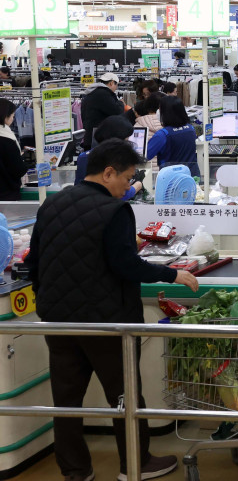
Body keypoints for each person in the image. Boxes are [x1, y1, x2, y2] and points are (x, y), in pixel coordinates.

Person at [28, 139, 200, 481]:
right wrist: (173, 273)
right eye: (128, 177)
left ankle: (76, 471)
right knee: (124, 395)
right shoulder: (114, 211)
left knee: (65, 400)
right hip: (107, 321)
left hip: (57, 320)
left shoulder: (52, 204)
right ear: (108, 173)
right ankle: (135, 463)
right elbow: (126, 266)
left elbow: (34, 261)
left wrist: (46, 299)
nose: (129, 185)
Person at [146, 96, 199, 176]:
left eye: (160, 109)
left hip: (171, 179)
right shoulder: (190, 129)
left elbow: (146, 155)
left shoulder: (163, 135)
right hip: (192, 176)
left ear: (166, 113)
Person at [81, 73, 126, 149]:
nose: (116, 88)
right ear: (111, 83)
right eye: (116, 85)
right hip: (98, 139)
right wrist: (121, 103)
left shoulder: (91, 93)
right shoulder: (103, 94)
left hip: (90, 136)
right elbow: (117, 111)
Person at [0, 99, 26, 201]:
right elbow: (18, 169)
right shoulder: (7, 139)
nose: (12, 119)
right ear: (5, 116)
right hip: (7, 193)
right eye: (12, 116)